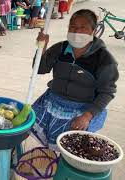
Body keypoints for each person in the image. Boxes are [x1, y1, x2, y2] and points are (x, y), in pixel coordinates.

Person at [30, 9, 119, 150]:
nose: (76, 31)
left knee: (71, 148)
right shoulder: (60, 48)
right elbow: (40, 69)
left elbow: (107, 92)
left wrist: (87, 116)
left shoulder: (104, 59)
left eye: (82, 27)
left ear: (93, 30)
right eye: (73, 26)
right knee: (27, 123)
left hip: (82, 109)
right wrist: (42, 48)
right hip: (52, 101)